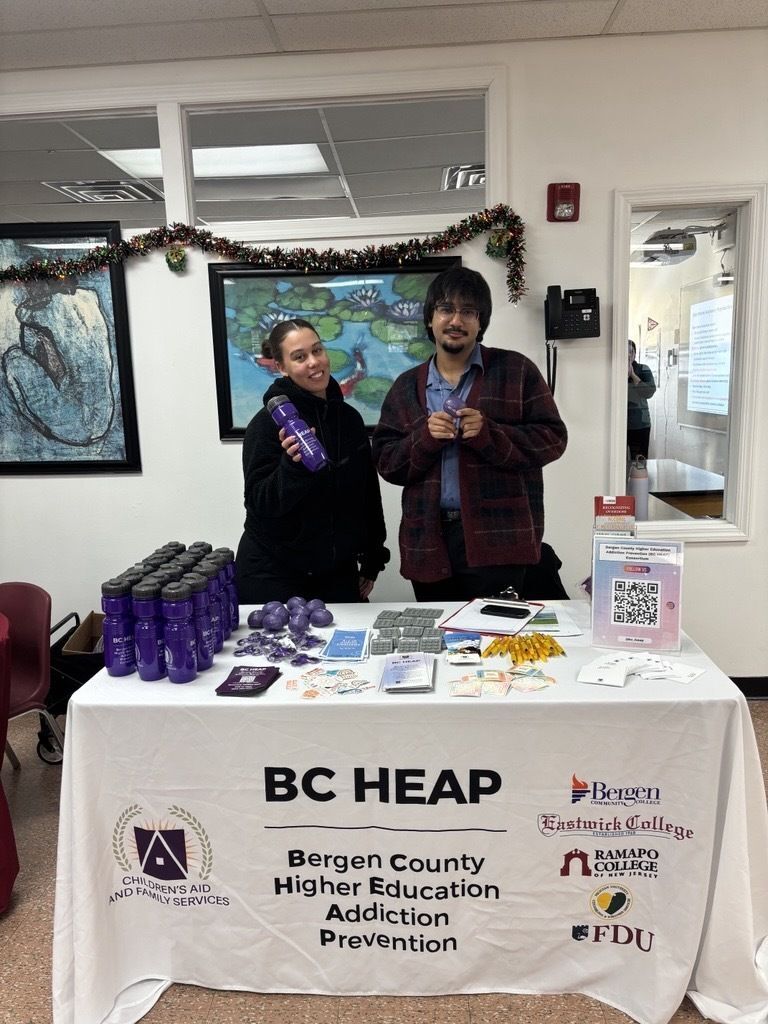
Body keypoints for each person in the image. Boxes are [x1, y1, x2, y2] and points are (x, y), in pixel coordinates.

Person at [371, 267, 567, 602]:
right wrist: (425, 437)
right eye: (446, 309)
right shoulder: (406, 386)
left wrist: (490, 434)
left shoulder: (516, 371)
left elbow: (552, 439)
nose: (456, 320)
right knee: (441, 639)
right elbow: (388, 463)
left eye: (468, 311)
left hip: (500, 539)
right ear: (430, 319)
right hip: (428, 540)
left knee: (496, 643)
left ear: (481, 322)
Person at [235, 318, 389, 604]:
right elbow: (260, 503)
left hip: (335, 573)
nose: (313, 362)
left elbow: (367, 493)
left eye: (317, 350)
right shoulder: (266, 426)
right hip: (272, 573)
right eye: (299, 357)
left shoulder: (350, 420)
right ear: (281, 367)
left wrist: (373, 555)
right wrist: (292, 468)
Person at [627, 340, 656, 460]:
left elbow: (649, 392)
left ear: (634, 354)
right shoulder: (614, 370)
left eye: (630, 352)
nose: (628, 355)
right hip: (619, 425)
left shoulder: (644, 369)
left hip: (640, 425)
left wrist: (633, 375)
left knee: (639, 462)